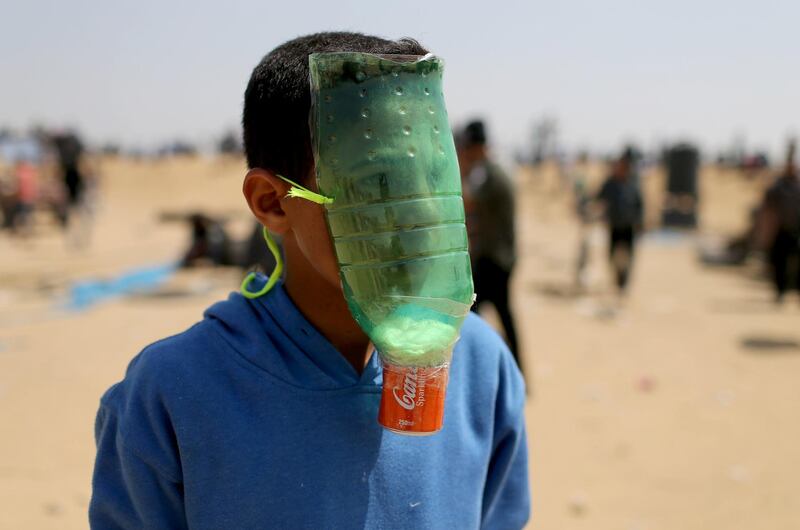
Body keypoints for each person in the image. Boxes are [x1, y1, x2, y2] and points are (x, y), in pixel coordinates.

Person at [90, 32, 529, 529]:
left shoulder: (483, 371)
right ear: (272, 203)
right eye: (379, 184)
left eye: (433, 178)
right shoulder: (171, 396)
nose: (422, 214)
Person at [457, 120, 521, 371]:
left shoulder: (490, 174)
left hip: (494, 258)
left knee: (472, 314)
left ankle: (495, 368)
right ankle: (511, 368)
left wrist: (459, 168)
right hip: (496, 256)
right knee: (496, 314)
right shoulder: (491, 170)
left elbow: (467, 202)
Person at [757, 139, 800, 303]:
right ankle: (780, 292)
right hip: (780, 231)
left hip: (795, 231)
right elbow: (768, 212)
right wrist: (765, 234)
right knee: (779, 263)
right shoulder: (776, 188)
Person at [596, 148, 644, 295]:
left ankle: (623, 284)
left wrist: (640, 222)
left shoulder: (633, 183)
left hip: (629, 226)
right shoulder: (610, 184)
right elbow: (598, 199)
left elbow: (640, 204)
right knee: (613, 256)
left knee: (628, 257)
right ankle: (617, 280)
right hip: (614, 225)